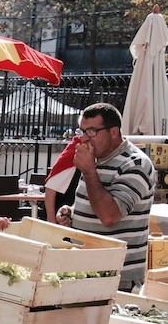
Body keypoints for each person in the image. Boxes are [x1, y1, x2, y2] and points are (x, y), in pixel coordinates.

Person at [55, 103, 156, 291]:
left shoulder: (136, 163)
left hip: (118, 277)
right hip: (84, 271)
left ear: (114, 132)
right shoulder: (95, 160)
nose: (85, 138)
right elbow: (95, 202)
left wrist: (89, 171)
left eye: (92, 131)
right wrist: (72, 213)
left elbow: (110, 215)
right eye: (82, 131)